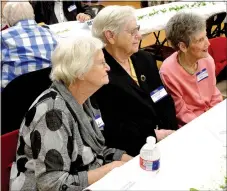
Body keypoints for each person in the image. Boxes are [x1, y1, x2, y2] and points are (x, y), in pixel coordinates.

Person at [9, 36, 132, 191]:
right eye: (101, 63)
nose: (108, 67)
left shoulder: (85, 99)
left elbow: (97, 150)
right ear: (80, 72)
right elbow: (51, 184)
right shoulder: (53, 114)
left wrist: (129, 161)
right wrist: (110, 169)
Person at [91, 6, 178, 156]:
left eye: (138, 29)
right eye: (132, 32)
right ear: (110, 36)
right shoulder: (100, 74)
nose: (139, 36)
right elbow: (112, 127)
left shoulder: (145, 59)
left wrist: (171, 131)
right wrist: (152, 136)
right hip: (134, 150)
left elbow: (162, 97)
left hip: (165, 137)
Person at [160, 12, 223, 127]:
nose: (208, 43)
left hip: (213, 117)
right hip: (192, 125)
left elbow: (214, 92)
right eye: (200, 40)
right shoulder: (168, 72)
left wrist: (216, 115)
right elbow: (181, 112)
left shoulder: (207, 60)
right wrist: (205, 125)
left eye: (206, 36)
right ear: (183, 47)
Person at [1, 2, 57, 90]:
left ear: (8, 21)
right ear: (33, 14)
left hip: (11, 98)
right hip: (47, 95)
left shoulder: (3, 37)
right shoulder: (52, 34)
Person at [31, 1, 95, 25]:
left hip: (74, 33)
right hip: (54, 37)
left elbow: (88, 9)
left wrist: (87, 15)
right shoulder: (39, 3)